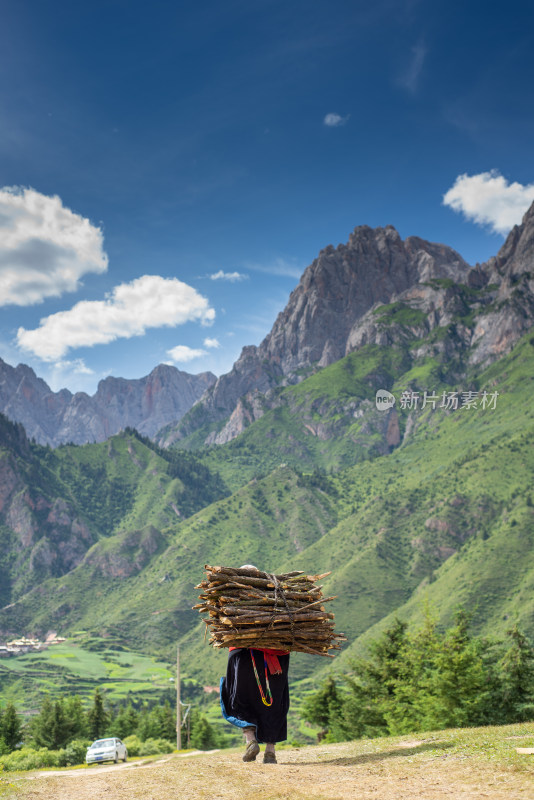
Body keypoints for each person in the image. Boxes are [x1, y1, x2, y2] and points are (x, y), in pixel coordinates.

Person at [219, 565, 290, 764]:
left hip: (242, 653)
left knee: (240, 698)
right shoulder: (278, 596)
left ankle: (250, 740)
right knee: (275, 700)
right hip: (275, 654)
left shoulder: (231, 595)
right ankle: (270, 751)